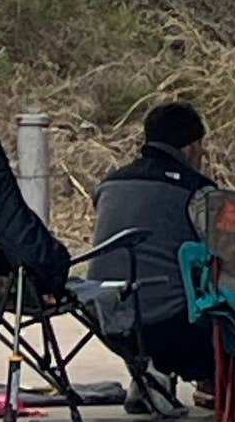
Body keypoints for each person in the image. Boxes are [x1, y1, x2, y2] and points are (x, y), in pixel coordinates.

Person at [83, 100, 217, 400]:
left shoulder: (109, 185)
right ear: (191, 147)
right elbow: (228, 252)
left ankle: (152, 373)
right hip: (171, 325)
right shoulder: (197, 191)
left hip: (105, 317)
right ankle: (215, 381)